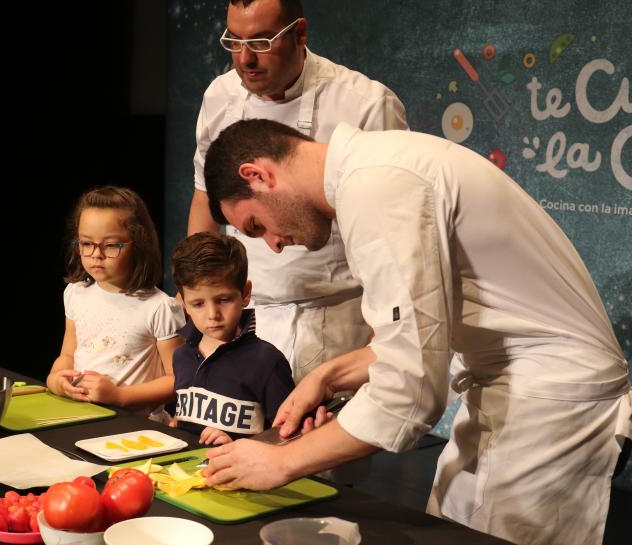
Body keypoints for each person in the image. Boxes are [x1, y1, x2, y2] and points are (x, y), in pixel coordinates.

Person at [200, 119, 632, 545]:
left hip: (549, 401)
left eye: (257, 225)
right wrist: (327, 377)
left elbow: (409, 395)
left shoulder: (375, 188)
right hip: (521, 384)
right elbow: (421, 336)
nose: (273, 244)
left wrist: (280, 462)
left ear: (257, 175)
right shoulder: (378, 167)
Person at [188, 0, 408, 381]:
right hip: (241, 315)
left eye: (260, 42)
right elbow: (205, 203)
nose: (244, 59)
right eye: (234, 42)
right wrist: (197, 307)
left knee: (317, 434)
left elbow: (394, 236)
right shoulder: (219, 97)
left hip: (336, 318)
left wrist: (383, 340)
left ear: (299, 34)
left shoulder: (365, 104)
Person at [46, 186, 185, 421]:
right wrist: (56, 380)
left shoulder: (160, 307)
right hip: (80, 417)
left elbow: (177, 381)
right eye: (86, 243)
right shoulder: (75, 293)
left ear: (138, 244)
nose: (96, 254)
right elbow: (68, 356)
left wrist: (119, 395)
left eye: (111, 245)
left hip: (135, 427)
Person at [170, 231, 295, 445]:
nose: (212, 315)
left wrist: (236, 446)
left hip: (247, 474)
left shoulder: (267, 362)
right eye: (198, 304)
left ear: (245, 293)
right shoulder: (181, 356)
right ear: (183, 302)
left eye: (224, 299)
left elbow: (289, 436)